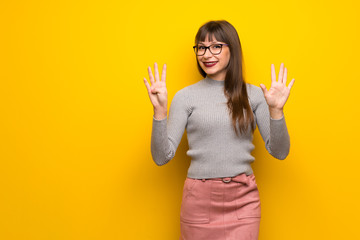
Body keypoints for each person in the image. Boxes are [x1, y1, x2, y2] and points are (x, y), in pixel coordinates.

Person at [143, 20, 294, 240]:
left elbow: (280, 152)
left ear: (231, 49)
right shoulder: (184, 97)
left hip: (243, 200)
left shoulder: (255, 95)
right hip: (199, 202)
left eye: (215, 46)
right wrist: (159, 112)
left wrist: (277, 111)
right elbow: (161, 157)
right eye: (201, 47)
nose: (206, 54)